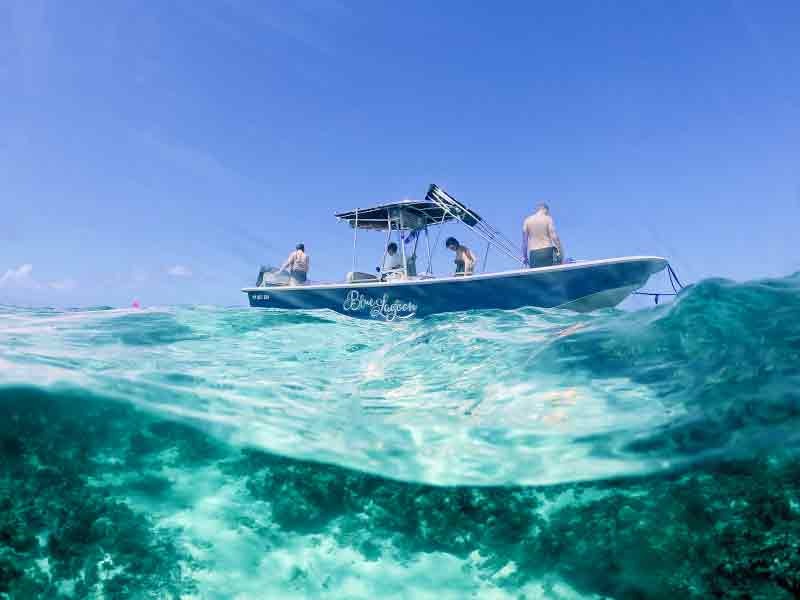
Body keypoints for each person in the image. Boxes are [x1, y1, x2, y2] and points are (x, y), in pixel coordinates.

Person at [522, 203, 563, 268]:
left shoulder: (527, 220)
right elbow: (554, 237)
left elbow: (524, 242)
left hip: (533, 254)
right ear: (545, 209)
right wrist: (560, 251)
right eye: (548, 212)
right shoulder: (548, 219)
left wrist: (524, 256)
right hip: (547, 251)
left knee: (538, 275)